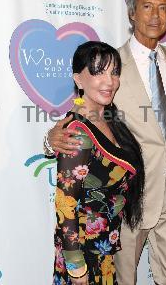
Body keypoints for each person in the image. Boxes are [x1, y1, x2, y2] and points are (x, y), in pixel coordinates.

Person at [45, 0, 166, 284]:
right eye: (147, 6)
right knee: (122, 279)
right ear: (131, 12)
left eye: (163, 8)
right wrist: (50, 139)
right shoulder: (111, 64)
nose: (155, 15)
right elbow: (83, 115)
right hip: (129, 193)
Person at [53, 41, 145, 285]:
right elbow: (65, 203)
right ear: (79, 80)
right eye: (98, 71)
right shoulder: (77, 132)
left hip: (104, 252)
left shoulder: (109, 119)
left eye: (114, 72)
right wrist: (75, 267)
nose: (109, 81)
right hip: (84, 256)